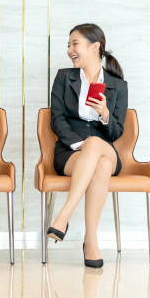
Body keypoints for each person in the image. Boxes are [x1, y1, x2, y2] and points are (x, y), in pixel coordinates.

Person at [46, 23, 127, 268]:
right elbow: (56, 119)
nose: (70, 49)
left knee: (98, 149)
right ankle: (91, 240)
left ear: (95, 47)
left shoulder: (117, 85)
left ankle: (64, 216)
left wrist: (104, 113)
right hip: (70, 151)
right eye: (68, 45)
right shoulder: (64, 77)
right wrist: (80, 145)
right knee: (99, 165)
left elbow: (116, 132)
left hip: (106, 148)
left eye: (75, 44)